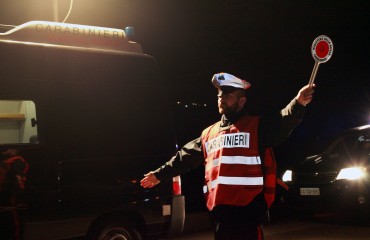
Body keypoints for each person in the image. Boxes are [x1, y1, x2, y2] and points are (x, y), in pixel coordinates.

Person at [140, 72, 315, 240]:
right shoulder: (209, 133)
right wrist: (159, 174)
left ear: (242, 100)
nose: (222, 99)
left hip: (248, 213)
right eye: (219, 96)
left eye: (228, 95)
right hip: (220, 214)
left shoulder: (257, 127)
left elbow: (283, 122)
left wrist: (298, 103)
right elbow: (185, 157)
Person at [0, 148, 29, 240]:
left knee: (13, 231)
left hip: (10, 204)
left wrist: (14, 196)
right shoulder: (8, 161)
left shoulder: (16, 161)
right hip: (7, 204)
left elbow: (17, 181)